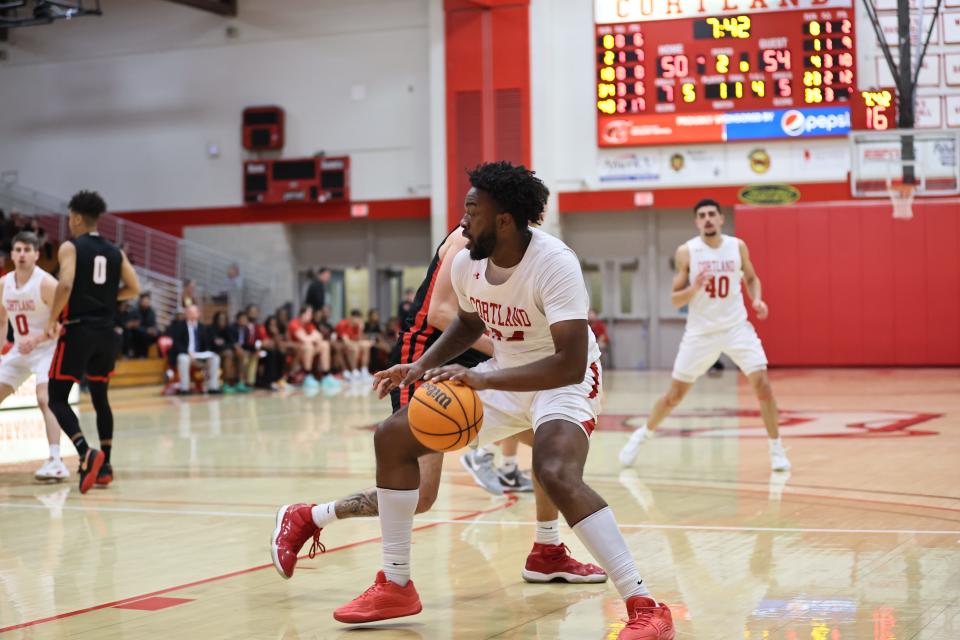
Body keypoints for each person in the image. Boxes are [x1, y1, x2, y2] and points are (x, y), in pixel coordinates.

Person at [274, 163, 672, 637]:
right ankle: (395, 584)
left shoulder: (554, 263)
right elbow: (466, 323)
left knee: (555, 471)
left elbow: (569, 362)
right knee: (393, 437)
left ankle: (645, 605)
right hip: (504, 373)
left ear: (504, 219)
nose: (462, 221)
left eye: (472, 210)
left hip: (564, 380)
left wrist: (485, 382)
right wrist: (421, 367)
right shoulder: (467, 262)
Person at [270, 220, 602, 598]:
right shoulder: (470, 240)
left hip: (472, 361)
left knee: (549, 439)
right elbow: (442, 314)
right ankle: (310, 516)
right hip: (428, 359)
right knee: (422, 495)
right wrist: (513, 350)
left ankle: (547, 550)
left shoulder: (521, 250)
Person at [619, 198, 790, 473]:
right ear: (697, 221)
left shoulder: (737, 246)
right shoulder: (687, 252)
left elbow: (751, 278)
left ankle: (777, 449)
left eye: (712, 214)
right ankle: (642, 434)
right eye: (702, 215)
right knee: (674, 396)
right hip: (700, 333)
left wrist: (757, 300)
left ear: (721, 218)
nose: (708, 218)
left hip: (736, 329)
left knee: (764, 386)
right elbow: (675, 299)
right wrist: (694, 288)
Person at [45, 190, 141, 494]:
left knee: (56, 397)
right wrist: (106, 298)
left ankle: (86, 452)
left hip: (78, 330)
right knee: (101, 398)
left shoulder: (70, 247)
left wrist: (52, 319)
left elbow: (66, 283)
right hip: (107, 334)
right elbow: (134, 288)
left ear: (75, 218)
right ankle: (107, 466)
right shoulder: (116, 251)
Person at [0, 232, 66, 481]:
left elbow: (61, 325)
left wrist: (36, 340)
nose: (22, 254)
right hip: (19, 350)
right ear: (12, 254)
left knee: (44, 398)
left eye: (27, 250)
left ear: (37, 254)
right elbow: (1, 320)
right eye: (17, 250)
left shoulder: (46, 283)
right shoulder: (4, 283)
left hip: (47, 348)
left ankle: (56, 459)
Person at [168, 304, 222, 395]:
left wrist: (212, 346)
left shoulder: (202, 327)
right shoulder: (179, 326)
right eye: (190, 312)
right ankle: (184, 388)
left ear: (198, 314)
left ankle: (213, 387)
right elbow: (176, 344)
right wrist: (188, 352)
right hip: (185, 354)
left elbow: (207, 344)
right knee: (183, 358)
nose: (192, 314)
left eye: (194, 312)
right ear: (186, 314)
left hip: (200, 356)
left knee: (215, 358)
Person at [288, 304, 337, 391]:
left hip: (307, 352)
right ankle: (307, 376)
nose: (311, 315)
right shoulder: (294, 323)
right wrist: (312, 338)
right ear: (302, 314)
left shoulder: (309, 325)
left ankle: (326, 375)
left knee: (324, 344)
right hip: (295, 353)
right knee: (308, 346)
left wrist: (311, 338)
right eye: (309, 313)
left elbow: (319, 337)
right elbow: (304, 339)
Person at [334, 309, 373, 382]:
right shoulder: (343, 324)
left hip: (352, 343)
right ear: (352, 318)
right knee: (354, 347)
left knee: (366, 345)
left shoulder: (357, 326)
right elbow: (346, 341)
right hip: (340, 344)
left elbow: (359, 339)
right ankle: (354, 371)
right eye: (358, 319)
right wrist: (356, 344)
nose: (359, 321)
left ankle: (364, 371)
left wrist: (360, 330)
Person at [228, 310, 258, 391]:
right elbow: (230, 341)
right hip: (232, 350)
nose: (244, 321)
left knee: (254, 355)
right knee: (242, 355)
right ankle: (240, 382)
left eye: (245, 319)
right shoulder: (231, 328)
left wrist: (255, 350)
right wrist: (237, 348)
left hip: (242, 350)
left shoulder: (246, 330)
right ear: (237, 319)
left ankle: (250, 382)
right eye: (242, 319)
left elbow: (247, 344)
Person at [257, 315, 287, 390]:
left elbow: (280, 346)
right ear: (267, 325)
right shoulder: (262, 330)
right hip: (259, 352)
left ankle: (278, 379)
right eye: (271, 324)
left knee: (281, 354)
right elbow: (263, 344)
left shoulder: (276, 333)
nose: (273, 326)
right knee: (271, 353)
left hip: (270, 351)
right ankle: (268, 381)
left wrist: (275, 335)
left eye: (275, 325)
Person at [126, 292, 159, 358]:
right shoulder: (134, 311)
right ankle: (138, 355)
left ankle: (153, 356)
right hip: (136, 333)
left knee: (158, 334)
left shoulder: (151, 312)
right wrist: (146, 330)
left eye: (147, 301)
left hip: (147, 333)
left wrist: (154, 330)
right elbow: (132, 326)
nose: (146, 303)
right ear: (140, 301)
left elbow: (154, 324)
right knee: (141, 335)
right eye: (144, 301)